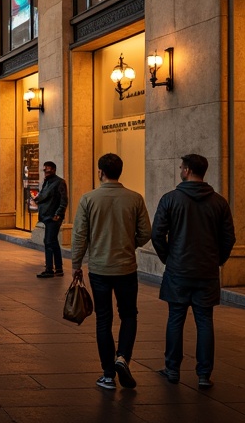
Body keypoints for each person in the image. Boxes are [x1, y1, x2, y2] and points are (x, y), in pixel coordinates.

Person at [152, 153, 236, 388]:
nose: (180, 170)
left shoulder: (170, 199)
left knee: (175, 319)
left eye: (181, 167)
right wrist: (217, 260)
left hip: (178, 270)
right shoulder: (219, 202)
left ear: (187, 170)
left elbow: (157, 233)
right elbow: (229, 237)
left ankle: (172, 369)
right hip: (206, 271)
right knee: (205, 321)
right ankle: (203, 374)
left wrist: (168, 258)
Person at [71, 152, 151, 391]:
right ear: (120, 171)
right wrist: (129, 244)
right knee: (129, 314)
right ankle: (122, 358)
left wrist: (76, 264)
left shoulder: (88, 199)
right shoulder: (135, 198)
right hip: (126, 268)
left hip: (99, 268)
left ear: (100, 172)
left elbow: (79, 235)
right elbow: (146, 232)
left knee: (103, 319)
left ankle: (108, 374)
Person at [35, 161, 68, 278]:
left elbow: (64, 201)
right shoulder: (47, 182)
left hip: (53, 217)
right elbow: (43, 195)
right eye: (44, 170)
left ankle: (49, 269)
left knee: (49, 242)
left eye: (47, 170)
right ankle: (58, 268)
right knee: (53, 242)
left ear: (53, 170)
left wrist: (58, 214)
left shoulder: (59, 182)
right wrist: (37, 199)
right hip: (46, 215)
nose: (45, 172)